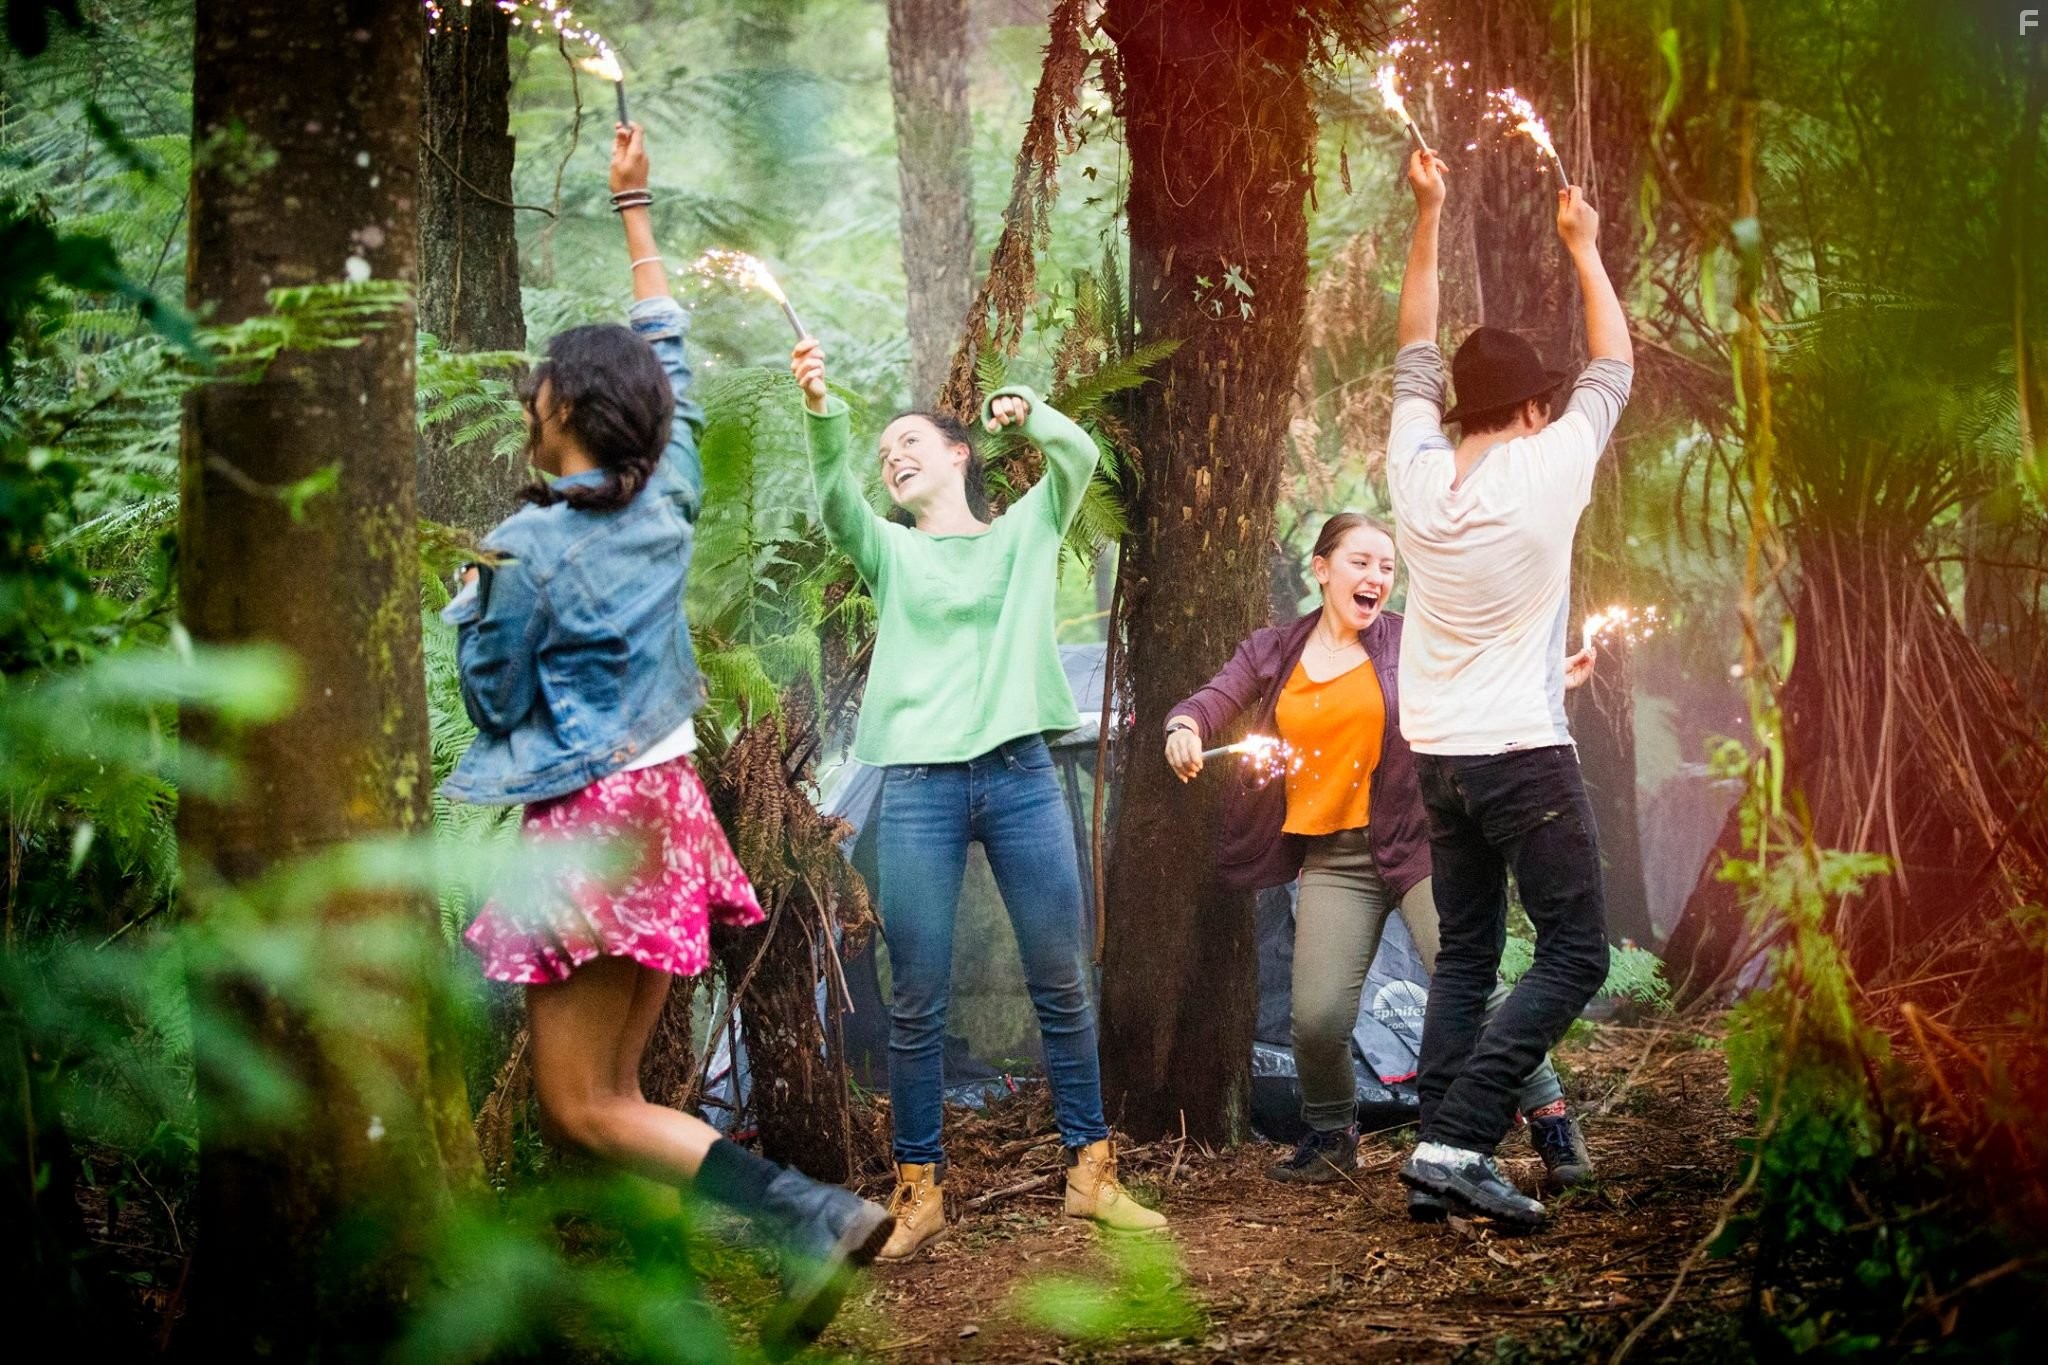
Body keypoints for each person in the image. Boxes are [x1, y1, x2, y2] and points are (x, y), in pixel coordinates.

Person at [443, 124, 893, 1356]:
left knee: (579, 1110)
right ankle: (676, 1313)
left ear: (566, 410)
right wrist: (632, 209)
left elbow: (492, 698)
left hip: (591, 831)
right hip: (670, 815)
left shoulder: (523, 549)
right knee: (618, 1099)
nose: (526, 397)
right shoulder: (670, 490)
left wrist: (470, 606)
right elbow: (672, 362)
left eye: (540, 385)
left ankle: (802, 1216)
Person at [791, 337, 1167, 1261]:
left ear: (959, 454)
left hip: (1019, 775)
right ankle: (918, 1189)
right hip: (916, 785)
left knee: (1062, 976)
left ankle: (1093, 1171)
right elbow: (837, 500)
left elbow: (1081, 458)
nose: (893, 457)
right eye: (885, 455)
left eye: (909, 440)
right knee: (917, 995)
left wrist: (1029, 414)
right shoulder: (888, 550)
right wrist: (821, 408)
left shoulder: (1024, 532)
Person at [1161, 514, 1596, 1219]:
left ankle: (1549, 1119)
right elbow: (1215, 696)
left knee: (1475, 984)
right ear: (1322, 568)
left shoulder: (1407, 640)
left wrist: (1548, 677)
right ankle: (1333, 1135)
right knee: (1318, 1016)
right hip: (1334, 857)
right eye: (1361, 562)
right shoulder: (1276, 649)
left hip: (1422, 842)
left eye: (1387, 567)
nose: (1376, 578)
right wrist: (1185, 726)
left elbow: (1479, 675)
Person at [1384, 148, 1634, 1230]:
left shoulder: (1411, 469)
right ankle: (1454, 1139)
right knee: (1575, 951)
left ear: (1454, 408)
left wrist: (1427, 213)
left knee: (1468, 956)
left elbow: (1410, 343)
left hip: (1438, 756)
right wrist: (1582, 247)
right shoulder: (1551, 466)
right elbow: (1612, 366)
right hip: (1521, 756)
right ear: (1532, 409)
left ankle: (1434, 1166)